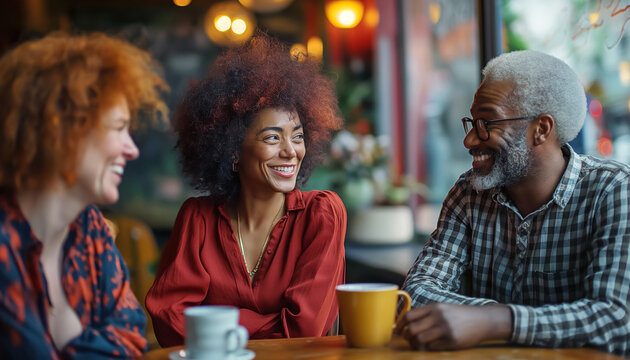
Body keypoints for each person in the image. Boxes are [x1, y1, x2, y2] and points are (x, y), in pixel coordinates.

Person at [397, 50, 630, 356]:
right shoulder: (468, 193)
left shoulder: (613, 190)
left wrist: (494, 322)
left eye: (487, 124)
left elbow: (615, 319)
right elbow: (416, 291)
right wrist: (494, 320)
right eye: (472, 123)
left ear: (541, 129)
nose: (469, 141)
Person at [145, 34, 346, 346]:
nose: (291, 151)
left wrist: (215, 320)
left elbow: (304, 330)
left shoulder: (321, 214)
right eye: (271, 137)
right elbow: (169, 320)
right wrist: (268, 324)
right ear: (232, 151)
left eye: (297, 136)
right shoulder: (198, 219)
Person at [0, 32, 168, 358]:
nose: (131, 149)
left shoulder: (88, 229)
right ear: (61, 130)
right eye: (119, 128)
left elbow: (131, 338)